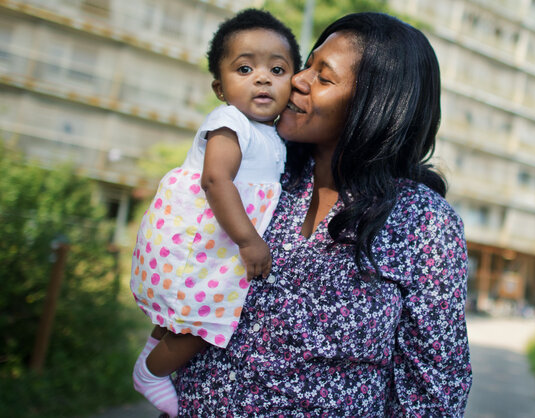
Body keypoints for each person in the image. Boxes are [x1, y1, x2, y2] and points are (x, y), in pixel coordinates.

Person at [173, 12, 472, 416]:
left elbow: (434, 387)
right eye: (307, 64)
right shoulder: (258, 174)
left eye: (324, 77)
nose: (297, 79)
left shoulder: (423, 222)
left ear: (374, 105)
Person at [128, 9, 300, 416]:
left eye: (277, 69)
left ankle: (153, 354)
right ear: (220, 87)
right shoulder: (229, 121)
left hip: (217, 246)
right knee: (208, 324)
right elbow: (216, 181)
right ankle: (150, 373)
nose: (262, 78)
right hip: (202, 242)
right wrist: (249, 240)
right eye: (244, 68)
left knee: (184, 316)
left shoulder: (273, 133)